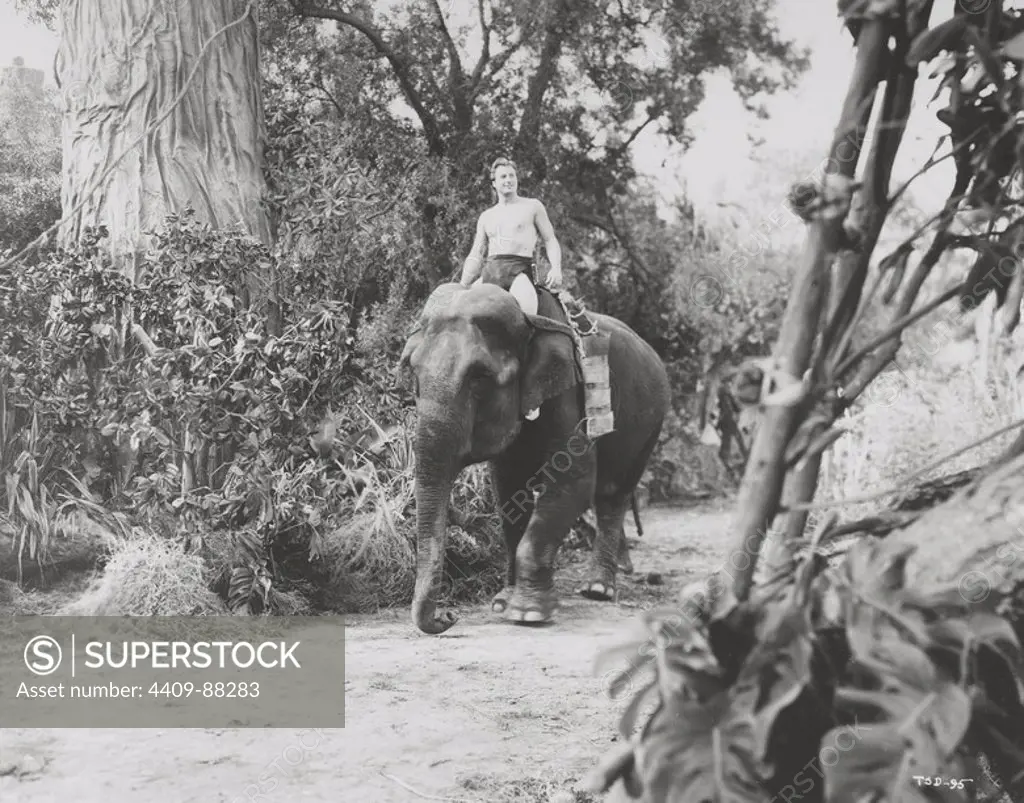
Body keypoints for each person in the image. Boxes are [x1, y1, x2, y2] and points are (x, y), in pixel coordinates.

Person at [459, 157, 563, 318]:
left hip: (518, 271)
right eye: (503, 176)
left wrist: (556, 268)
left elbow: (550, 240)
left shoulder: (532, 206)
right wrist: (463, 284)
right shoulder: (487, 216)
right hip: (490, 273)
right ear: (494, 183)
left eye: (511, 175)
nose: (508, 180)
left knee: (527, 318)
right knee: (461, 313)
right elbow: (476, 254)